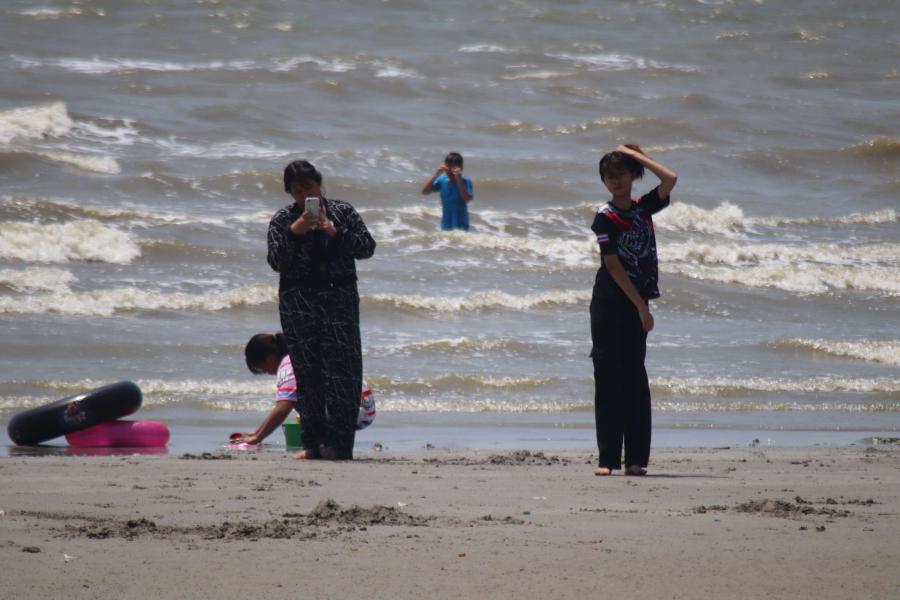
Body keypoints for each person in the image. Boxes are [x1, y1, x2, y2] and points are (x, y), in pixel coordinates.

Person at [267, 160, 376, 460]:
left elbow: (367, 247)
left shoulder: (342, 212)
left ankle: (340, 446)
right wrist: (295, 232)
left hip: (339, 300)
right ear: (290, 192)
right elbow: (276, 261)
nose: (305, 195)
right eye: (297, 191)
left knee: (344, 374)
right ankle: (313, 445)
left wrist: (333, 231)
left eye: (309, 188)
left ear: (320, 184)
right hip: (298, 303)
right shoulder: (283, 219)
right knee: (307, 373)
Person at [589, 144, 677, 477]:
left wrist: (634, 155)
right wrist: (641, 306)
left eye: (622, 174)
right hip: (610, 305)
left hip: (638, 306)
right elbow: (612, 265)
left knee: (635, 380)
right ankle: (608, 459)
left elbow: (670, 179)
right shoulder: (604, 216)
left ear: (633, 176)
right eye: (610, 177)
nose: (616, 181)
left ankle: (636, 460)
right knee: (609, 380)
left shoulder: (643, 209)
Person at [230, 333, 376, 447]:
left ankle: (324, 445)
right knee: (301, 394)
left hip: (353, 411)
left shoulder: (287, 366)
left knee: (294, 399)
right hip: (364, 405)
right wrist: (257, 432)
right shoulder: (298, 354)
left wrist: (258, 437)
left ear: (269, 359)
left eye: (264, 369)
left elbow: (283, 407)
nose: (269, 373)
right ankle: (329, 442)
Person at [420, 152, 474, 231]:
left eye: (453, 168)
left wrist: (458, 179)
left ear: (460, 168)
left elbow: (467, 199)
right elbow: (425, 192)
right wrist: (436, 174)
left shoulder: (465, 181)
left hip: (461, 224)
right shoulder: (442, 180)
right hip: (446, 223)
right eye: (448, 167)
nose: (450, 171)